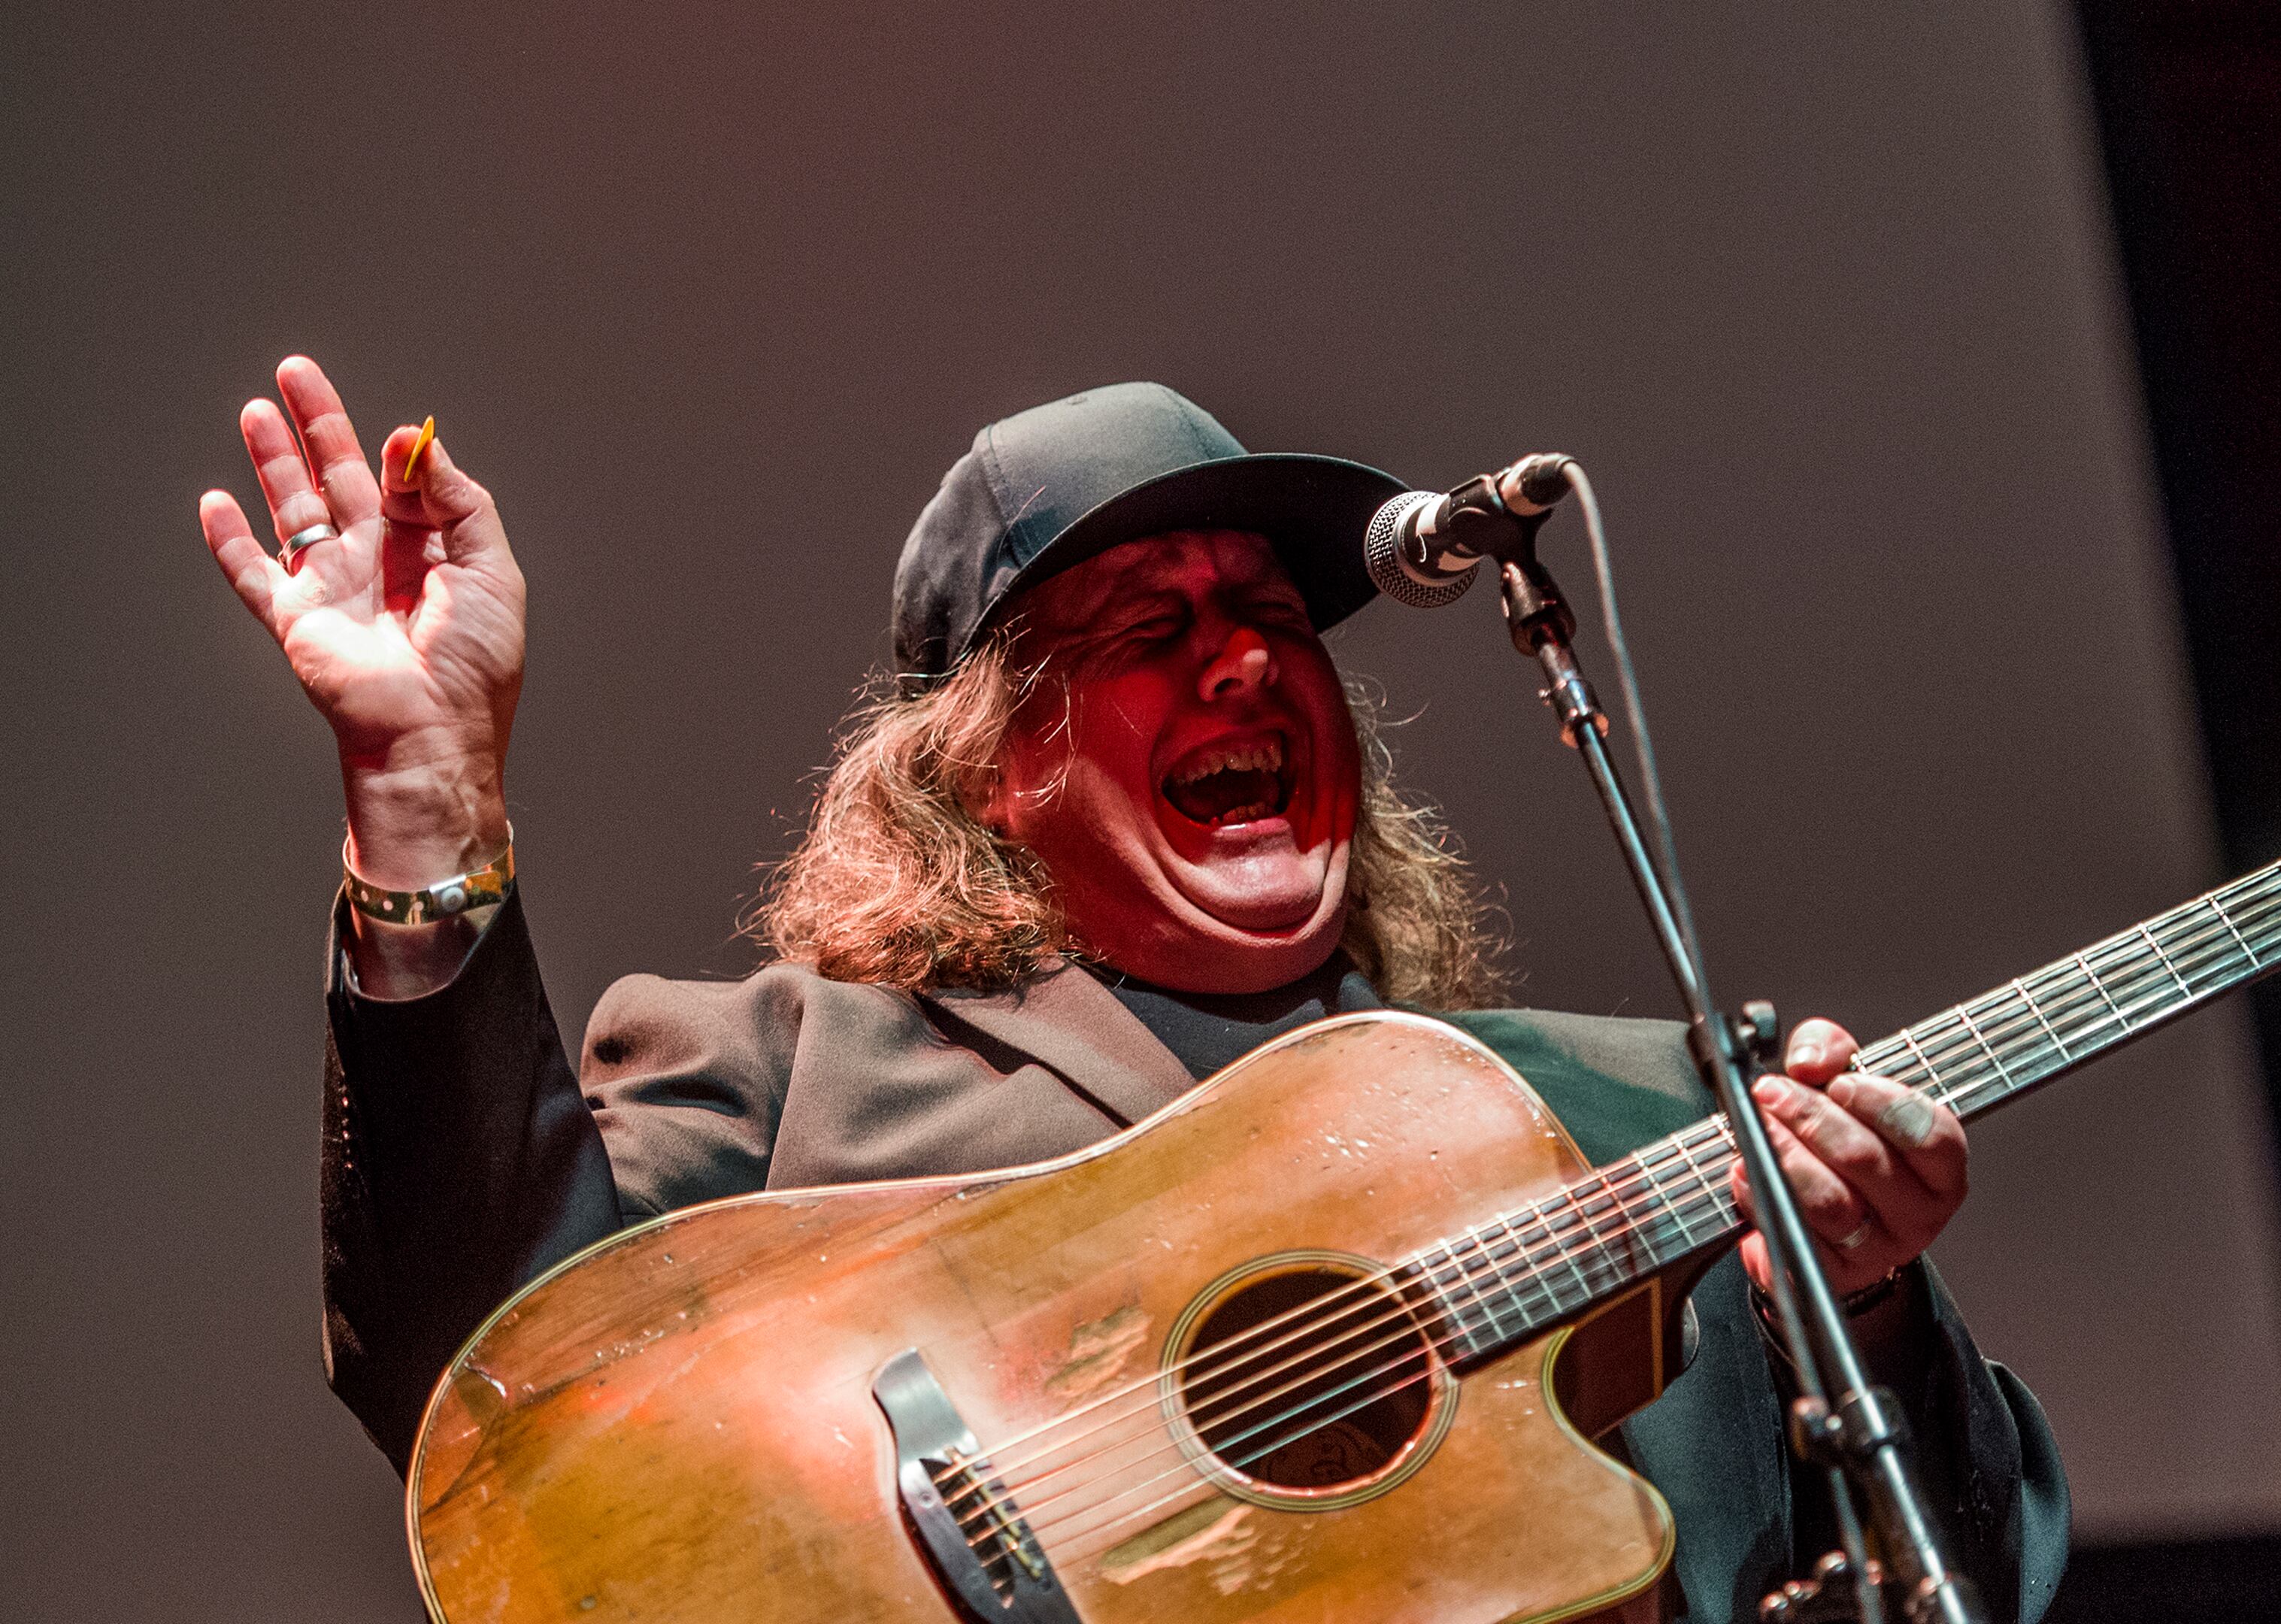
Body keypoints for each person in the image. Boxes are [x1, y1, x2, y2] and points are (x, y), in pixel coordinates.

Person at [198, 358, 2069, 1623]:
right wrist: (423, 794)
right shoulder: (774, 1074)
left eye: (1273, 626)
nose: (1247, 670)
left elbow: (1966, 1581)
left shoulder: (1662, 1117)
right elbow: (490, 1392)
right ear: (995, 767)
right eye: (1156, 635)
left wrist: (1872, 1316)